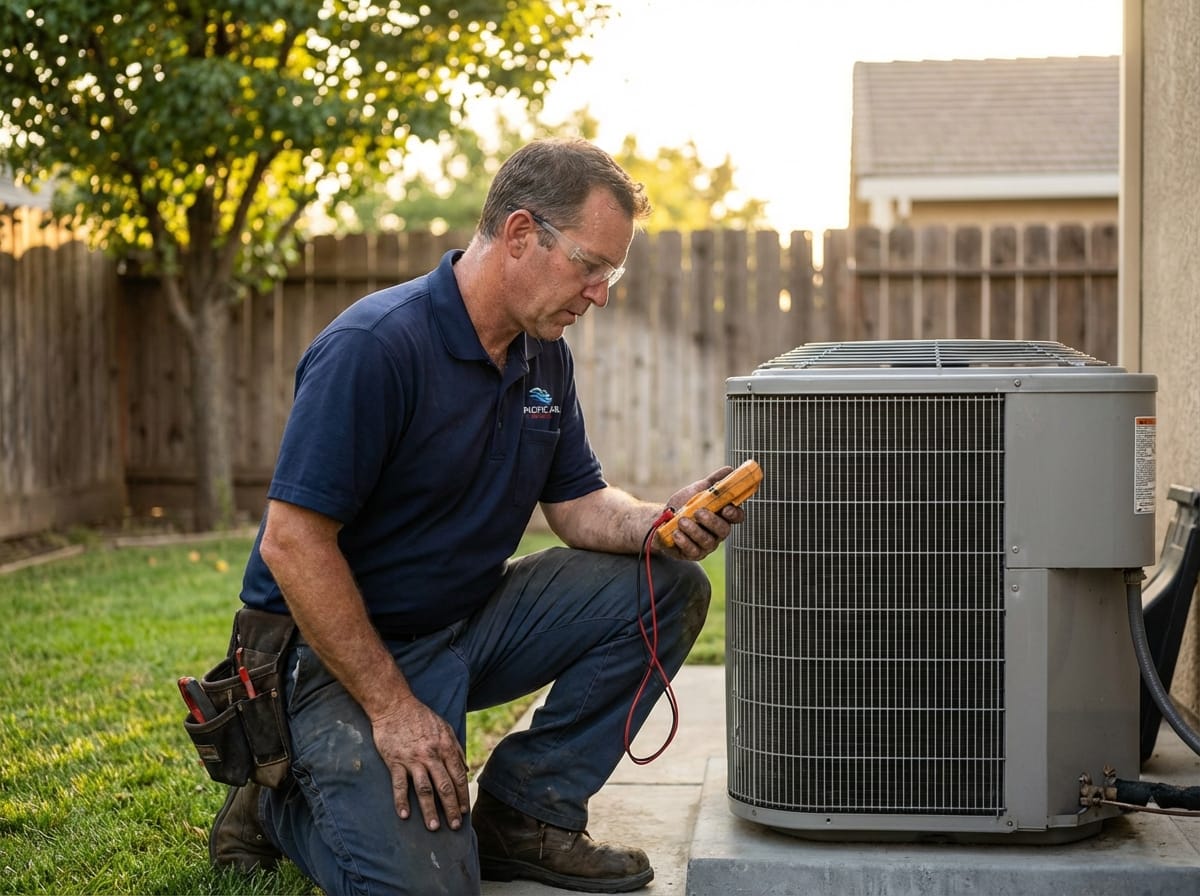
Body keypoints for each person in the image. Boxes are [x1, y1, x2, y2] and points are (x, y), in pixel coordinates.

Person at [207, 137, 747, 895]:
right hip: (332, 657)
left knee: (668, 589)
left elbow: (580, 504)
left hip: (463, 625)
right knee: (427, 889)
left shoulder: (541, 354)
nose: (600, 293)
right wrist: (393, 709)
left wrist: (659, 521)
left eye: (611, 272)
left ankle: (524, 816)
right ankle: (275, 801)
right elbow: (294, 544)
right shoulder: (375, 347)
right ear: (522, 234)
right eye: (591, 266)